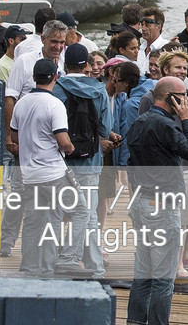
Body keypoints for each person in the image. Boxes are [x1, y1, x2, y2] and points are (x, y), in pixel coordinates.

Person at [124, 77, 188, 325]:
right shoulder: (168, 125)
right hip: (163, 206)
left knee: (142, 272)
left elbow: (130, 165)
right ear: (170, 98)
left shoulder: (139, 122)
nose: (187, 102)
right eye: (183, 97)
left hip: (141, 203)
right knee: (163, 277)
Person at [53, 43, 117, 276]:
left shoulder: (57, 88)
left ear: (64, 63)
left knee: (66, 212)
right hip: (90, 161)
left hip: (64, 160)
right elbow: (105, 128)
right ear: (87, 65)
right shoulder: (99, 90)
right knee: (87, 213)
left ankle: (89, 264)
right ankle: (88, 264)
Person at [10, 57, 74, 276]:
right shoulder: (54, 104)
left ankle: (29, 267)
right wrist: (71, 148)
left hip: (29, 174)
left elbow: (14, 136)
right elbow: (63, 141)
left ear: (34, 78)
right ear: (56, 77)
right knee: (80, 212)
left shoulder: (21, 103)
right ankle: (58, 262)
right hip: (53, 173)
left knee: (33, 220)